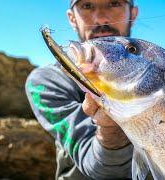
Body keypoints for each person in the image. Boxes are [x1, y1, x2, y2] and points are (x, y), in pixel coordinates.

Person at [25, 0, 138, 179]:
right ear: (72, 18)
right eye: (87, 6)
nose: (101, 19)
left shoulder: (163, 70)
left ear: (132, 14)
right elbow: (99, 169)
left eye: (114, 3)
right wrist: (110, 129)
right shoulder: (46, 82)